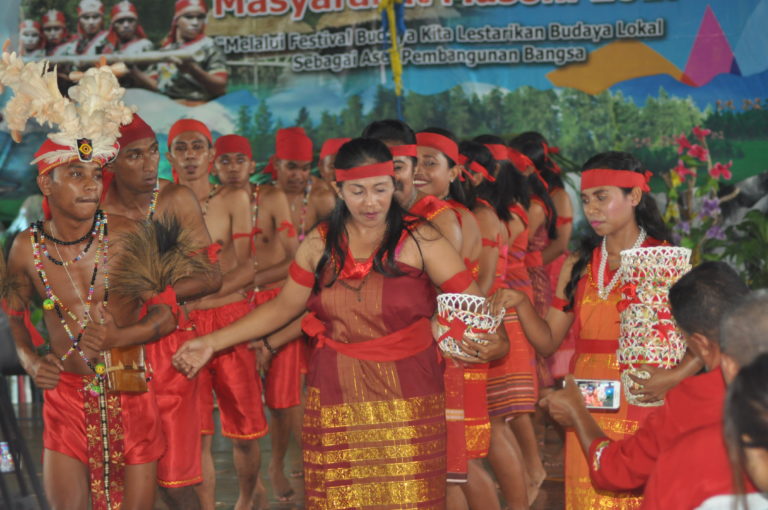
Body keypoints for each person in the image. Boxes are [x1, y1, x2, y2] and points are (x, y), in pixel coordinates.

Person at [173, 137, 505, 509]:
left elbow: (473, 302)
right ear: (338, 188)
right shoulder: (319, 243)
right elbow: (284, 307)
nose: (370, 202)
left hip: (409, 392)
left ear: (393, 185)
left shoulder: (421, 238)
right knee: (342, 498)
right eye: (358, 191)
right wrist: (211, 342)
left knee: (408, 497)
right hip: (335, 390)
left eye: (380, 189)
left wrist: (499, 340)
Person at [0, 60, 172, 510]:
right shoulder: (23, 249)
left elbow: (168, 313)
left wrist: (121, 336)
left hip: (131, 391)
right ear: (46, 182)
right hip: (65, 400)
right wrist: (31, 359)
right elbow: (14, 315)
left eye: (96, 175)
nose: (91, 185)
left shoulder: (130, 235)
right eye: (76, 174)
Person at [489, 151, 702, 509]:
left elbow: (706, 338)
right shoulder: (578, 263)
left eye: (603, 197)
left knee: (641, 493)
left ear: (634, 197)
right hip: (587, 404)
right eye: (586, 199)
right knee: (590, 495)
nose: (592, 209)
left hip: (645, 397)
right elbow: (547, 342)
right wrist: (522, 305)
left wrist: (674, 376)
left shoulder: (665, 260)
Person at [538, 264, 768, 509]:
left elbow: (616, 469)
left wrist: (577, 412)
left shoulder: (689, 403)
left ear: (700, 343)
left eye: (683, 339)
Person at [101, 113, 222, 510]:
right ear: (110, 163)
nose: (151, 163)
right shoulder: (92, 208)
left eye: (153, 152)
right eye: (135, 155)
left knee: (175, 477)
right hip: (120, 351)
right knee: (132, 470)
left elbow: (210, 276)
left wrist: (157, 296)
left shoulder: (174, 199)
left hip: (170, 348)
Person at [166, 119, 267, 510]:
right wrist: (182, 305)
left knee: (246, 429)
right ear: (171, 156)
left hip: (229, 321)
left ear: (211, 155)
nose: (190, 155)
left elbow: (246, 268)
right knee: (197, 432)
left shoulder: (232, 200)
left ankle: (246, 500)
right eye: (181, 148)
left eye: (197, 147)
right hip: (183, 326)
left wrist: (195, 298)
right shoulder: (161, 204)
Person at [147, 0, 228, 103]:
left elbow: (220, 87)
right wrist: (133, 71)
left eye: (200, 17)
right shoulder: (165, 50)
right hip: (167, 110)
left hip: (200, 109)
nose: (195, 23)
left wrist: (192, 69)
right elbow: (156, 86)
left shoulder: (209, 46)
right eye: (189, 17)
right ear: (176, 20)